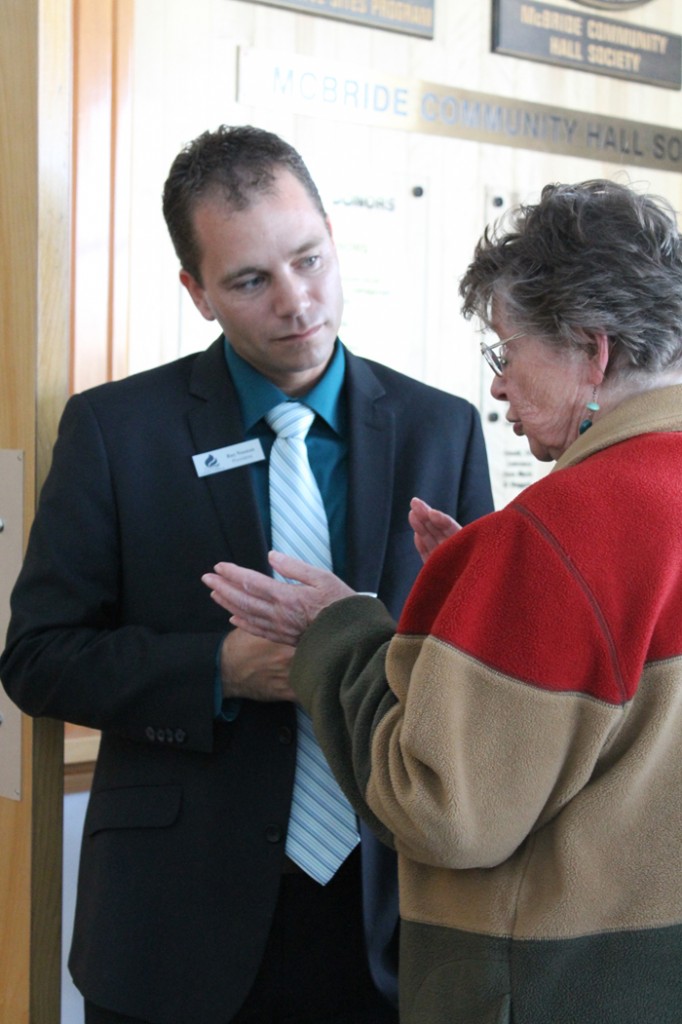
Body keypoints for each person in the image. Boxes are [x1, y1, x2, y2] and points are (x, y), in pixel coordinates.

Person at [0, 124, 494, 1024]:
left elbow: (484, 671)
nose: (298, 303)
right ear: (196, 292)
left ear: (335, 240)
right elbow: (37, 657)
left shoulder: (442, 429)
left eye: (310, 260)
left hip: (393, 921)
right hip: (172, 928)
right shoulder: (117, 431)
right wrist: (221, 671)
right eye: (250, 282)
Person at [200, 178, 682, 1024]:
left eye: (508, 351)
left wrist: (337, 634)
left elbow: (444, 809)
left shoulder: (558, 532)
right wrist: (484, 591)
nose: (498, 388)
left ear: (592, 351)